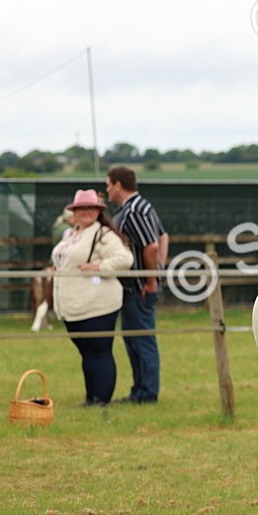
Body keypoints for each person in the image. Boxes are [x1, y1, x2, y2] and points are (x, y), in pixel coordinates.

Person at [50, 189, 134, 406]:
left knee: (99, 351)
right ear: (74, 212)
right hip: (74, 303)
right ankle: (92, 397)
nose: (86, 212)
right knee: (87, 352)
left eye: (91, 208)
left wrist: (99, 267)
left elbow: (124, 259)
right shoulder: (71, 234)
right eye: (82, 208)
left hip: (98, 303)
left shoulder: (103, 235)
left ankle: (101, 400)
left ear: (98, 211)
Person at [106, 166, 168, 404]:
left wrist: (152, 278)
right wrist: (159, 268)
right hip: (134, 288)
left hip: (139, 288)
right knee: (133, 340)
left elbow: (151, 246)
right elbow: (163, 237)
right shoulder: (141, 206)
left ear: (118, 185)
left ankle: (147, 393)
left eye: (109, 185)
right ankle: (139, 390)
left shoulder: (134, 211)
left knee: (142, 340)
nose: (107, 190)